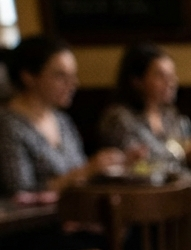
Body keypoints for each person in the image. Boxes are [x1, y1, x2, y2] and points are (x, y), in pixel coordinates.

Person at [0, 36, 125, 196]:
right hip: (39, 220)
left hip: (77, 213)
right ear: (28, 77)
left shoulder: (62, 120)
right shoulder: (7, 124)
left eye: (73, 75)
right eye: (60, 76)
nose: (73, 83)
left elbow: (81, 174)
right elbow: (20, 193)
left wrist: (115, 164)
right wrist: (86, 171)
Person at [98, 42, 191, 163]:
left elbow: (186, 147)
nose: (171, 82)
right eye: (161, 76)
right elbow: (140, 160)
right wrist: (185, 155)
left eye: (172, 75)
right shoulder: (118, 118)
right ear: (136, 81)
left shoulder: (170, 115)